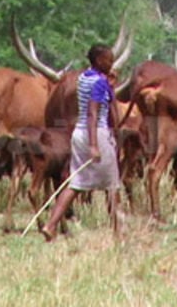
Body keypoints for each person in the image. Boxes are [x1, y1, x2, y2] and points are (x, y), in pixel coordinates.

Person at [41, 43, 120, 241]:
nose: (111, 63)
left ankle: (50, 225)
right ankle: (118, 232)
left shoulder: (84, 78)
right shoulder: (99, 83)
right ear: (99, 61)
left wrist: (110, 85)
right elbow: (94, 113)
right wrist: (94, 145)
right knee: (112, 185)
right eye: (108, 60)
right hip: (97, 133)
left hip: (78, 133)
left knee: (76, 184)